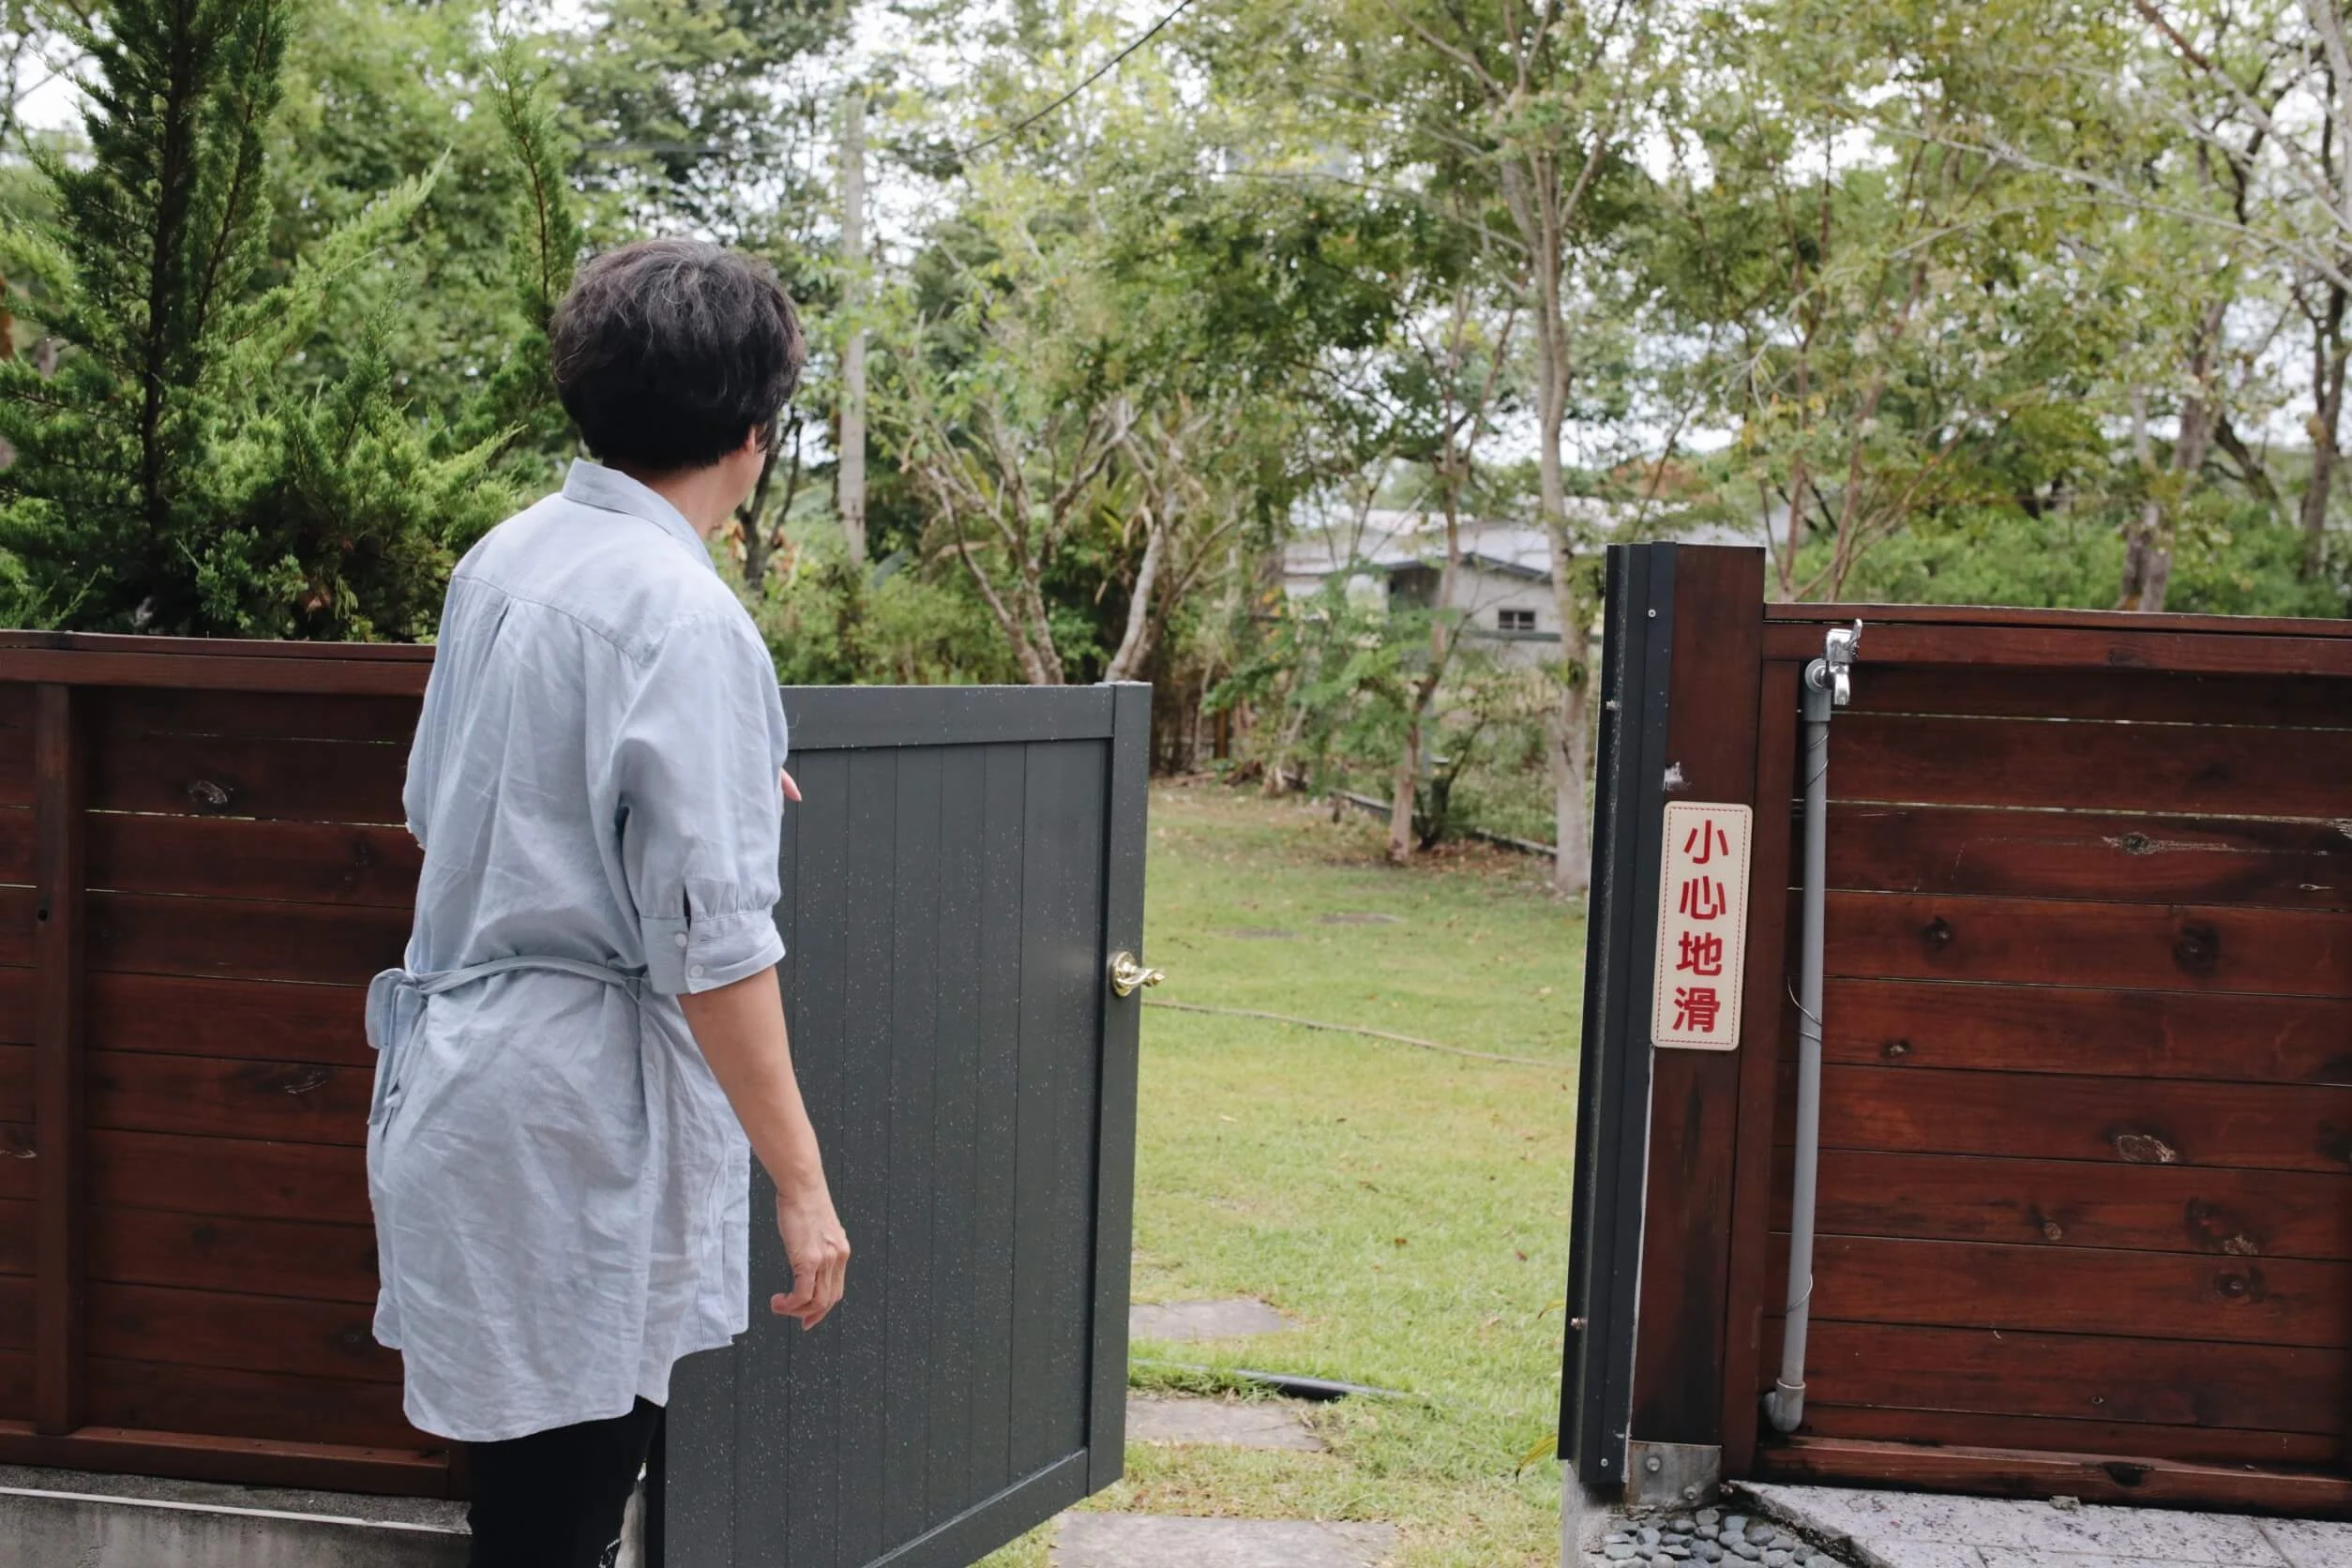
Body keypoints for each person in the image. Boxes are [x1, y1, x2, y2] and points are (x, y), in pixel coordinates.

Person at [366, 238, 852, 1568]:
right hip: (575, 1121)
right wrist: (802, 1189)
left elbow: (448, 803)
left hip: (467, 1082)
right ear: (755, 433)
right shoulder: (683, 617)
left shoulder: (509, 557)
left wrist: (719, 788)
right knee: (558, 1521)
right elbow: (714, 950)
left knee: (529, 1506)